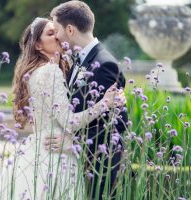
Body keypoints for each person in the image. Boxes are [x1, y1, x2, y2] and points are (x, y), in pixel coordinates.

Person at [0, 17, 125, 200]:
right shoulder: (50, 71)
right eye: (50, 33)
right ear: (38, 46)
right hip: (55, 155)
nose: (57, 36)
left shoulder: (39, 71)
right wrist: (104, 103)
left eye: (56, 31)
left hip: (40, 148)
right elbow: (68, 121)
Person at [44, 1, 128, 199]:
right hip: (78, 167)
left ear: (70, 30)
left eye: (56, 30)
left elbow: (118, 123)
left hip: (100, 170)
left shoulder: (105, 64)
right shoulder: (79, 60)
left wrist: (75, 143)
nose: (55, 35)